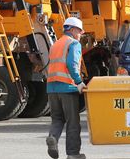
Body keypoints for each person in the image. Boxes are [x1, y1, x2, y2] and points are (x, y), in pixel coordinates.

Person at [46, 17, 86, 159]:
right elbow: (72, 64)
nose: (81, 34)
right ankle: (73, 154)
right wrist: (79, 81)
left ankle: (53, 138)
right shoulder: (73, 43)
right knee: (73, 122)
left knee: (57, 119)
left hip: (51, 88)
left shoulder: (56, 44)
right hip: (68, 87)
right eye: (80, 31)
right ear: (73, 30)